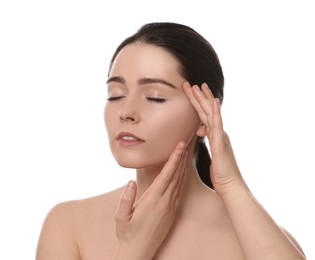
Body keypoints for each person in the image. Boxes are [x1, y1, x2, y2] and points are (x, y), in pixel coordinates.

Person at [36, 22, 306, 260]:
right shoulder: (68, 225)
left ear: (204, 114)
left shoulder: (253, 238)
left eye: (154, 96)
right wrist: (134, 250)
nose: (126, 112)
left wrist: (232, 186)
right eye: (115, 94)